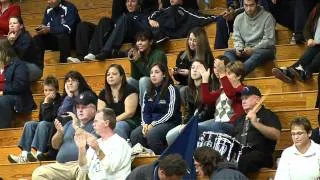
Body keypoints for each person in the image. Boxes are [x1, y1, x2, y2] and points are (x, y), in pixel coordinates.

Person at [32, 91, 97, 180]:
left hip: (81, 164)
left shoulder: (97, 124)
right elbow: (55, 146)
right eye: (78, 107)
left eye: (84, 107)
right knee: (39, 173)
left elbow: (93, 143)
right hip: (61, 166)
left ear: (93, 110)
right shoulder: (69, 124)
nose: (80, 110)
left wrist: (77, 127)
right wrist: (60, 133)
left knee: (84, 170)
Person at [37, 70, 95, 161]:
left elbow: (82, 113)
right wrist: (68, 96)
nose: (70, 83)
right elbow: (60, 113)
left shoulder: (86, 95)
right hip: (70, 123)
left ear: (79, 82)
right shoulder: (67, 97)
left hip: (84, 123)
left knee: (59, 119)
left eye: (73, 80)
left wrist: (69, 97)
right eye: (68, 81)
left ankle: (52, 152)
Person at [70, 0, 149, 62]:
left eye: (133, 1)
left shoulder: (142, 16)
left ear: (139, 4)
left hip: (127, 35)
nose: (129, 4)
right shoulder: (122, 15)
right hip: (113, 33)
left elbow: (144, 31)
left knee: (124, 18)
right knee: (84, 25)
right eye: (128, 1)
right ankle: (82, 57)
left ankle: (105, 52)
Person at [8, 76, 61, 163]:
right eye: (45, 90)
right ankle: (24, 154)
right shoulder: (43, 102)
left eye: (51, 90)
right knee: (29, 124)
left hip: (54, 128)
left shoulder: (60, 101)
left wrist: (47, 103)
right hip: (44, 126)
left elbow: (50, 118)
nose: (48, 93)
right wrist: (45, 103)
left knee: (43, 124)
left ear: (57, 90)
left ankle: (39, 153)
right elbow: (41, 118)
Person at [130, 63, 181, 155]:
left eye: (157, 72)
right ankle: (145, 158)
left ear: (164, 74)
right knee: (135, 134)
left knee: (153, 135)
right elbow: (145, 111)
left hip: (169, 122)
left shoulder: (171, 89)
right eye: (151, 73)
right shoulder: (148, 91)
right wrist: (145, 124)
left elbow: (170, 113)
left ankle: (163, 158)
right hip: (151, 124)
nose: (153, 75)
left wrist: (153, 124)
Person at [233, 86, 281, 175]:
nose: (243, 101)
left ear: (258, 99)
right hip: (240, 153)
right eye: (242, 98)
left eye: (246, 98)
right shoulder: (240, 119)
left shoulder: (268, 115)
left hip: (261, 154)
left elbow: (276, 135)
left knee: (243, 160)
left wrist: (255, 123)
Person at [166, 60, 216, 145]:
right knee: (170, 136)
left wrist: (190, 124)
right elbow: (188, 110)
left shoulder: (209, 88)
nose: (194, 70)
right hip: (193, 121)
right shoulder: (188, 90)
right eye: (192, 68)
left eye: (198, 68)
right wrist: (184, 123)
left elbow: (207, 112)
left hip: (206, 121)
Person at [75, 108, 132, 179]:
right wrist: (81, 149)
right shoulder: (97, 142)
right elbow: (84, 169)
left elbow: (111, 168)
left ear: (106, 123)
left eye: (96, 121)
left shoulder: (120, 143)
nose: (93, 125)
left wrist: (97, 149)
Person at [272, 3, 320, 83]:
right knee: (310, 53)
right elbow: (306, 28)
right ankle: (293, 70)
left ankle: (306, 71)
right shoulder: (317, 8)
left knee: (316, 57)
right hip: (316, 45)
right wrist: (309, 39)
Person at [224, 0, 276, 74]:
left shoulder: (268, 17)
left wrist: (254, 49)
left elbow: (269, 40)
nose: (248, 8)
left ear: (257, 4)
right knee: (228, 52)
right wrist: (239, 48)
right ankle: (236, 72)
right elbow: (237, 37)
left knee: (259, 53)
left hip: (264, 50)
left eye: (251, 5)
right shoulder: (239, 18)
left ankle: (237, 74)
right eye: (246, 5)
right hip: (246, 49)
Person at [197, 59, 245, 135]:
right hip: (218, 123)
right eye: (226, 73)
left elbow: (231, 94)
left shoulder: (243, 90)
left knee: (216, 125)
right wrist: (205, 79)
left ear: (238, 76)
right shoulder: (222, 90)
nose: (226, 76)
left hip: (233, 125)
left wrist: (222, 73)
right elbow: (206, 100)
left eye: (229, 73)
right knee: (194, 127)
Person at [98, 64, 141, 140]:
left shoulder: (130, 90)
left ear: (121, 77)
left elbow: (129, 113)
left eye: (114, 74)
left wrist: (112, 122)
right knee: (95, 132)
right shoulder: (103, 93)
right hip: (110, 122)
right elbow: (101, 113)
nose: (110, 76)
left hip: (129, 121)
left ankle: (123, 150)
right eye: (108, 75)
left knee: (118, 128)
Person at [0, 37, 34, 128]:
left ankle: (3, 133)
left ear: (3, 51)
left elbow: (20, 85)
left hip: (17, 98)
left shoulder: (19, 65)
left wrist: (3, 90)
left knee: (2, 100)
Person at [127, 30, 167, 105]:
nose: (139, 43)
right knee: (129, 81)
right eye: (138, 41)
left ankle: (144, 110)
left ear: (151, 42)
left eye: (143, 40)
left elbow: (153, 75)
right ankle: (133, 110)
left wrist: (138, 60)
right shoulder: (140, 54)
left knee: (144, 80)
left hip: (160, 86)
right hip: (145, 86)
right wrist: (133, 60)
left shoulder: (158, 54)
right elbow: (135, 77)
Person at [148, 0, 217, 42]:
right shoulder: (163, 11)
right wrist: (150, 20)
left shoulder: (186, 11)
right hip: (161, 36)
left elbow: (200, 18)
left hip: (175, 37)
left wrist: (216, 17)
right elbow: (151, 16)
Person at [8, 16, 43, 82]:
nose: (12, 25)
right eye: (10, 24)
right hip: (21, 67)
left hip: (35, 68)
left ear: (21, 26)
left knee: (15, 65)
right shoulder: (10, 39)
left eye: (14, 23)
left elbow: (18, 58)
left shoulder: (26, 38)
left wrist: (11, 43)